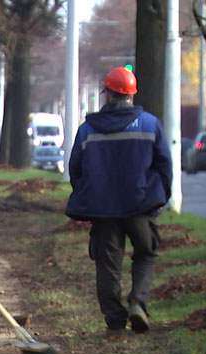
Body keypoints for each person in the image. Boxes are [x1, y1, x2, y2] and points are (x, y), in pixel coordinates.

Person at [65, 67, 172, 339]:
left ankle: (114, 322)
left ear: (107, 94)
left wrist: (89, 196)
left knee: (107, 265)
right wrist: (160, 198)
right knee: (146, 254)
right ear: (131, 95)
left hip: (103, 210)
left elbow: (75, 169)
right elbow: (164, 166)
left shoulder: (88, 129)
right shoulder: (150, 124)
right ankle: (137, 301)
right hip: (141, 205)